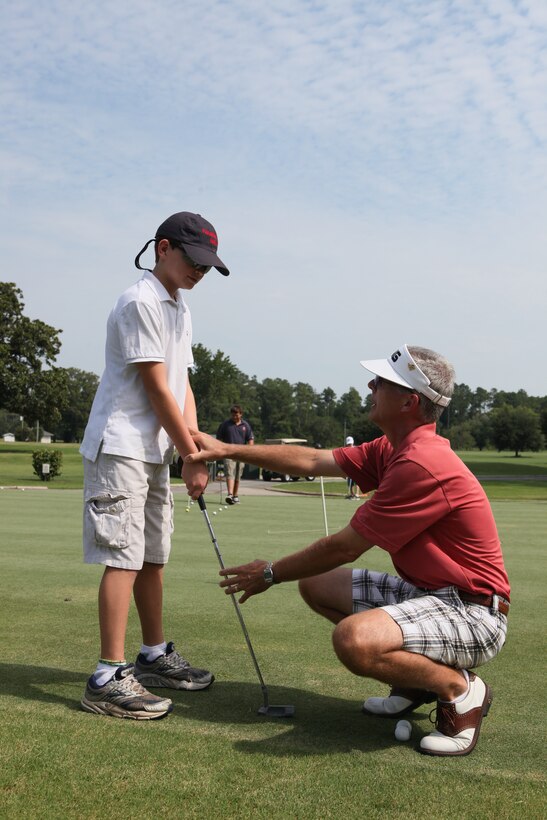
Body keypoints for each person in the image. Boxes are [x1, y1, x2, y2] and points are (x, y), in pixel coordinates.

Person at [186, 344, 510, 756]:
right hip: (434, 598)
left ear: (409, 402)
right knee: (317, 584)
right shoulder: (393, 447)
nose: (370, 385)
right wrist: (228, 449)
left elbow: (345, 546)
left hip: (474, 613)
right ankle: (415, 682)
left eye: (383, 383)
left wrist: (269, 573)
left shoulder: (421, 464)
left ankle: (459, 689)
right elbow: (311, 460)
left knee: (355, 641)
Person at [79, 211, 230, 720]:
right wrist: (189, 451)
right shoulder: (139, 301)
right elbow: (154, 386)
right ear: (163, 248)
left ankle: (152, 654)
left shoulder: (179, 307)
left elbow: (183, 385)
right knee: (123, 556)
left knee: (153, 556)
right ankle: (106, 675)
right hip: (120, 445)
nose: (200, 272)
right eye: (194, 261)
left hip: (154, 449)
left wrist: (193, 451)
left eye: (208, 266)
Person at [216, 405, 254, 504]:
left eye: (236, 415)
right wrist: (218, 451)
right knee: (229, 473)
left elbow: (250, 439)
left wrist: (249, 451)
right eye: (232, 415)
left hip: (241, 454)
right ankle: (229, 494)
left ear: (241, 414)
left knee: (238, 475)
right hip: (228, 453)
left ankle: (235, 495)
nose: (234, 417)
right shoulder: (225, 425)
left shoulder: (245, 425)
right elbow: (219, 439)